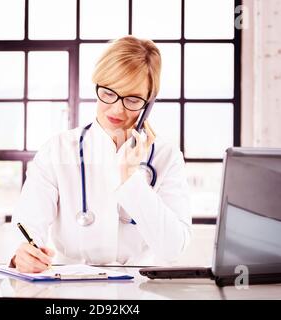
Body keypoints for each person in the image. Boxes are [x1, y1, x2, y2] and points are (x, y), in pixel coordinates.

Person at [11, 35, 191, 273]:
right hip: (70, 289)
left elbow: (172, 249)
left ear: (149, 103)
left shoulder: (166, 157)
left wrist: (130, 178)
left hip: (137, 290)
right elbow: (28, 228)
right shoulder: (57, 150)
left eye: (133, 99)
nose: (117, 108)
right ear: (97, 86)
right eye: (108, 93)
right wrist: (24, 255)